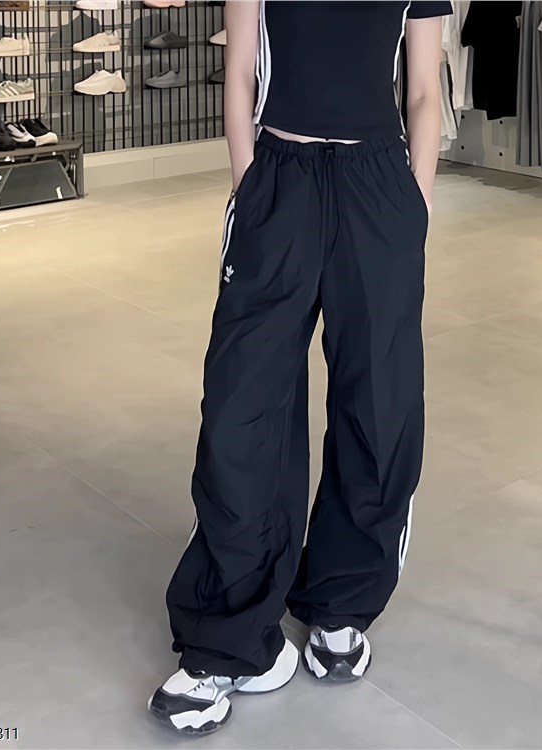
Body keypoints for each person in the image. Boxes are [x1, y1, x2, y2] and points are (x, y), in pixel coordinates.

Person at [149, 0, 452, 735]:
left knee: (380, 405)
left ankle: (341, 603)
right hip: (279, 180)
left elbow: (423, 87)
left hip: (378, 186)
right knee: (241, 407)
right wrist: (248, 182)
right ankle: (229, 638)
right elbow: (240, 71)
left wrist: (415, 203)